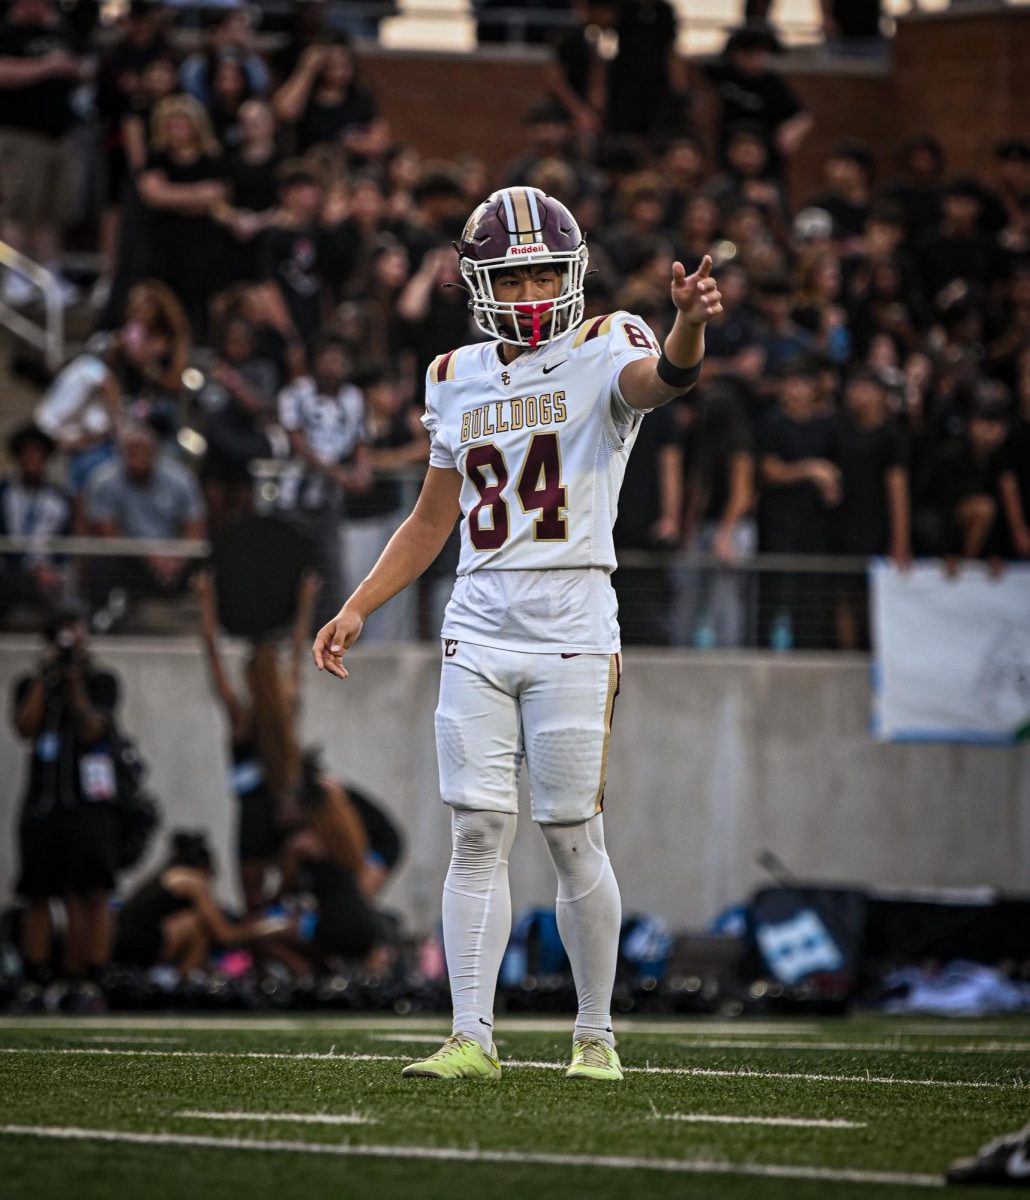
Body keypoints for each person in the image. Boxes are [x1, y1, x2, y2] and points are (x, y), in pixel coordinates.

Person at [312, 186, 722, 1081]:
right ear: (479, 282)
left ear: (572, 274)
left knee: (573, 834)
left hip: (575, 622)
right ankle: (471, 1036)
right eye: (515, 274)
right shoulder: (453, 374)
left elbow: (665, 382)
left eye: (545, 271)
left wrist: (688, 324)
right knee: (475, 831)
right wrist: (359, 605)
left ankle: (595, 1036)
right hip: (479, 623)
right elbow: (431, 520)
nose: (533, 290)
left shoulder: (609, 341)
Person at [10, 609, 121, 1010]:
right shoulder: (31, 683)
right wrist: (46, 677)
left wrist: (75, 684)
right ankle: (37, 977)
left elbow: (94, 727)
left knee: (94, 891)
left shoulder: (100, 682)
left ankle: (91, 975)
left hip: (89, 807)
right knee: (38, 892)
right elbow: (25, 727)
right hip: (43, 805)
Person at [197, 569, 317, 913]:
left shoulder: (241, 719)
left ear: (250, 679)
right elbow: (298, 651)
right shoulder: (287, 710)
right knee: (290, 902)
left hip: (252, 818)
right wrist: (305, 602)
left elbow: (211, 652)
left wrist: (206, 600)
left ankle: (261, 963)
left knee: (252, 905)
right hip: (283, 816)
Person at [114, 829, 266, 974]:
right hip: (140, 947)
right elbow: (224, 935)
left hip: (121, 945)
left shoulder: (168, 875)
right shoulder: (193, 881)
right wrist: (266, 928)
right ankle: (184, 984)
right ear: (204, 868)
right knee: (201, 924)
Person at [0, 423, 73, 622]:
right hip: (9, 571)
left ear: (46, 458)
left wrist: (53, 569)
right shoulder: (4, 493)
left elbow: (65, 544)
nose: (31, 457)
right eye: (26, 452)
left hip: (49, 574)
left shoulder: (59, 499)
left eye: (37, 452)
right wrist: (31, 569)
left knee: (63, 599)